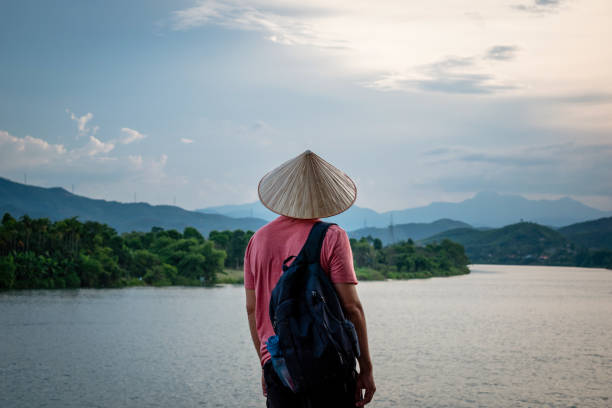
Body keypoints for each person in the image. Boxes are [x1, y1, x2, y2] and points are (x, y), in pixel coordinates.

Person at [244, 150, 376, 407]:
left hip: (277, 364)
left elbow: (252, 309)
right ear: (323, 197)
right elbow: (352, 308)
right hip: (328, 363)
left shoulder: (257, 240)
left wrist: (265, 362)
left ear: (284, 195)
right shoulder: (332, 236)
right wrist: (366, 368)